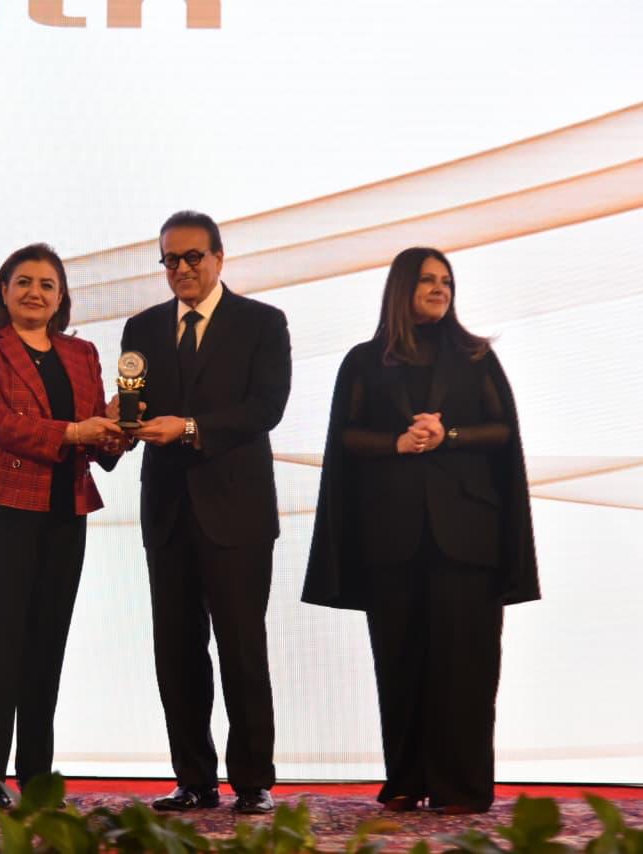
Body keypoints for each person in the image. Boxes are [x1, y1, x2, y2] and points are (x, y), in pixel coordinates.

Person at [302, 247, 539, 815]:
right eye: (428, 280)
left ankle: (461, 789)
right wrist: (398, 443)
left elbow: (502, 430)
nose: (439, 289)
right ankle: (406, 780)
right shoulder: (364, 361)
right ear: (401, 287)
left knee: (467, 666)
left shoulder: (476, 356)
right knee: (400, 662)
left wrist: (446, 434)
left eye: (446, 281)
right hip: (392, 535)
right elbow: (346, 437)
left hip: (468, 537)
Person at [117, 211, 291, 815]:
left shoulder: (263, 322)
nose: (183, 268)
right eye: (171, 259)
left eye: (194, 256)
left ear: (219, 257)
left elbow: (267, 407)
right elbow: (134, 405)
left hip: (237, 511)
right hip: (167, 512)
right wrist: (118, 424)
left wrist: (190, 427)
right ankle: (193, 778)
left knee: (242, 647)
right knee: (177, 650)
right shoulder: (141, 327)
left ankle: (253, 781)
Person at [0, 243, 127, 808]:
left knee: (47, 643)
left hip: (63, 510)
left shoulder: (81, 352)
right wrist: (75, 433)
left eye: (47, 284)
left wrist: (119, 427)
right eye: (23, 281)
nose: (35, 292)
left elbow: (97, 440)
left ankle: (36, 772)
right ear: (3, 291)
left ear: (61, 297)